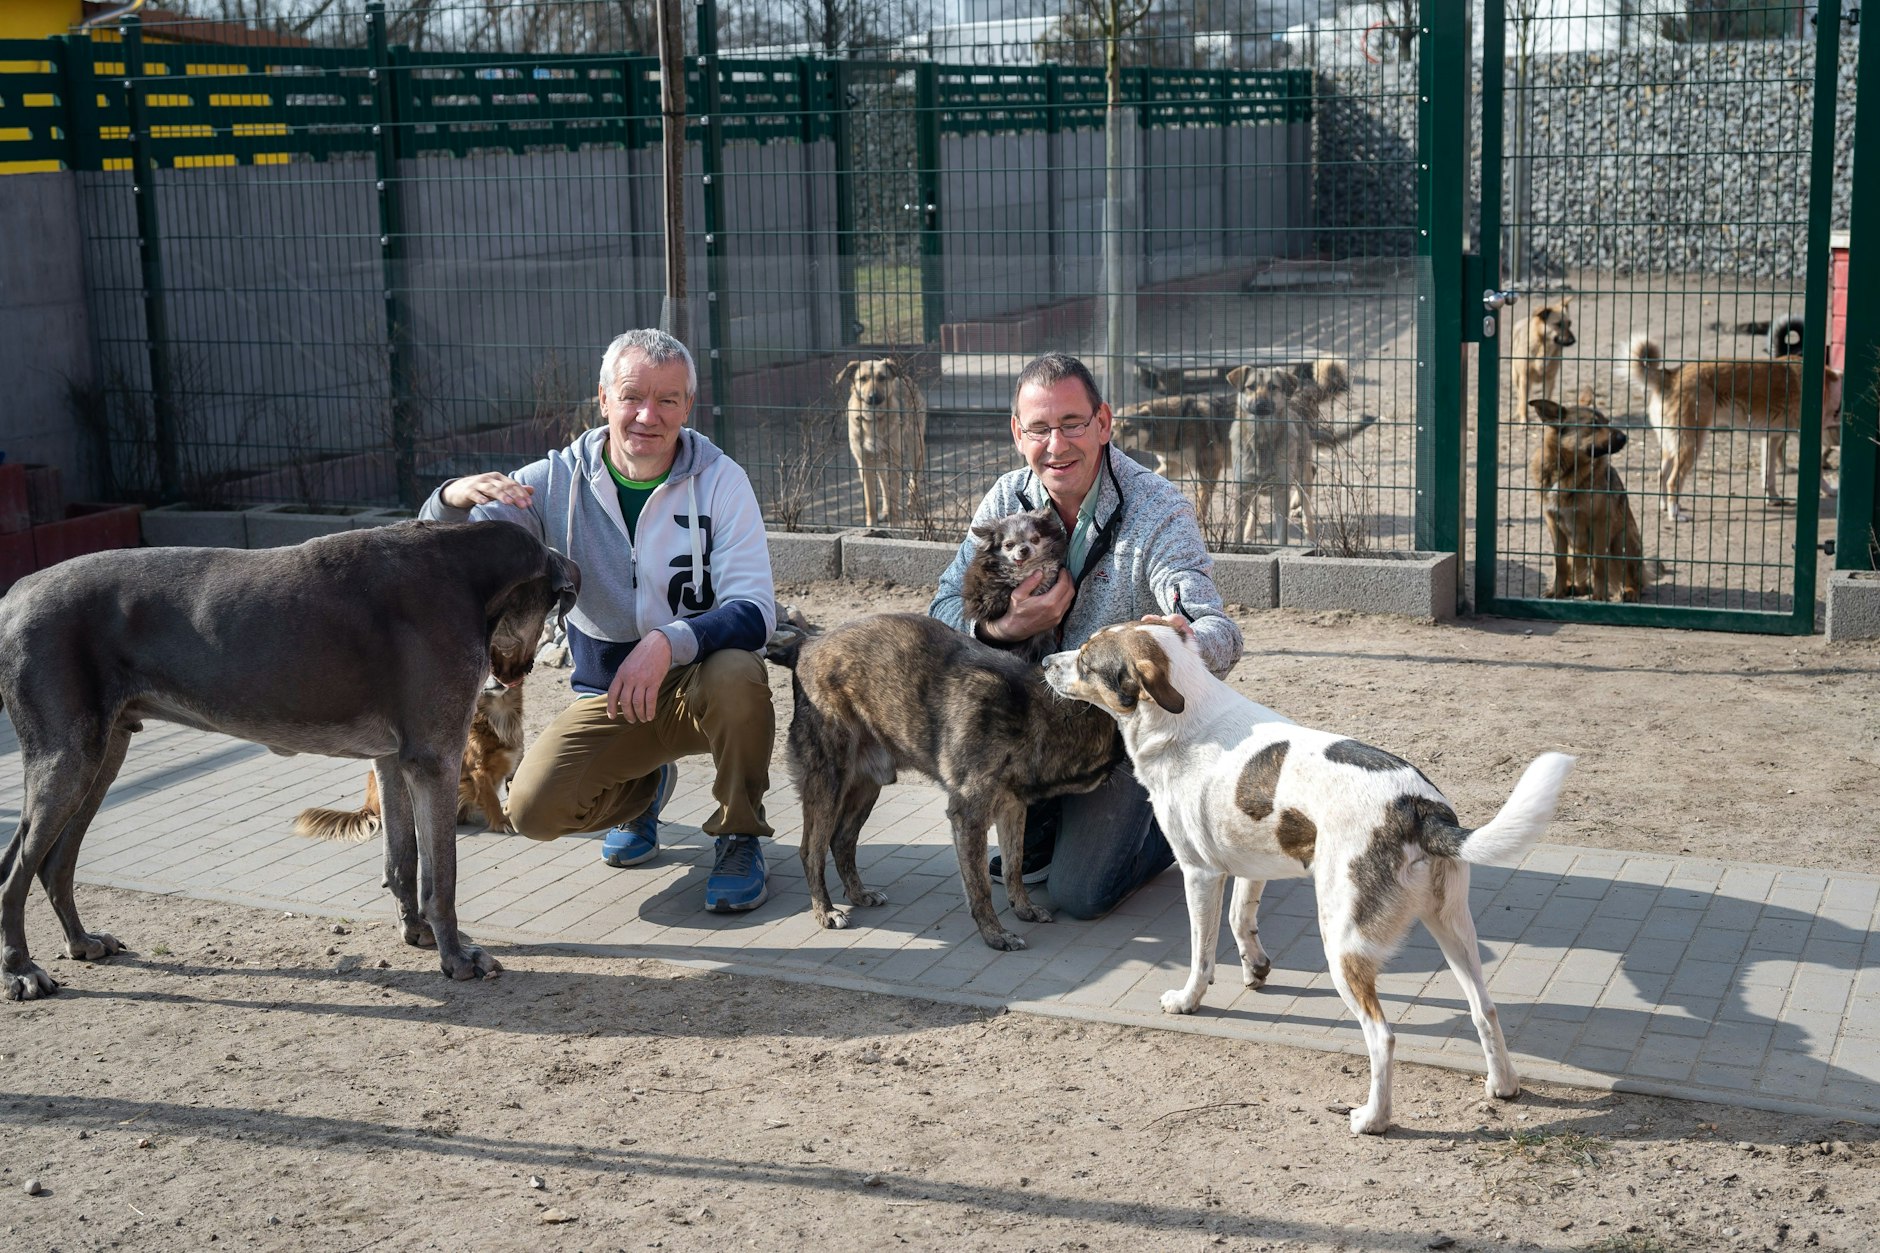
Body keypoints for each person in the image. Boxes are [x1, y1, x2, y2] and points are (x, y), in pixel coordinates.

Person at [419, 328, 777, 912]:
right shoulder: (554, 481)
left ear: (688, 406)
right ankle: (641, 792)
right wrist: (450, 499)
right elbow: (455, 553)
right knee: (532, 810)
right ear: (604, 399)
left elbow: (755, 611)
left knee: (739, 673)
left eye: (667, 399)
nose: (647, 415)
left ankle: (739, 833)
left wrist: (667, 641)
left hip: (702, 685)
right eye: (632, 396)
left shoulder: (721, 480)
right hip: (611, 695)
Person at [929, 352, 1244, 919]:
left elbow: (1217, 628)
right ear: (1017, 433)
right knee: (1024, 857)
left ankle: (1174, 823)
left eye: (1072, 424)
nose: (1057, 445)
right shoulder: (1006, 499)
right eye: (1039, 429)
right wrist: (1001, 627)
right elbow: (943, 607)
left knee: (1079, 895)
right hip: (1036, 722)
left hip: (1121, 733)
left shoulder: (1157, 508)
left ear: (1103, 422)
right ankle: (1053, 824)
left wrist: (1184, 639)